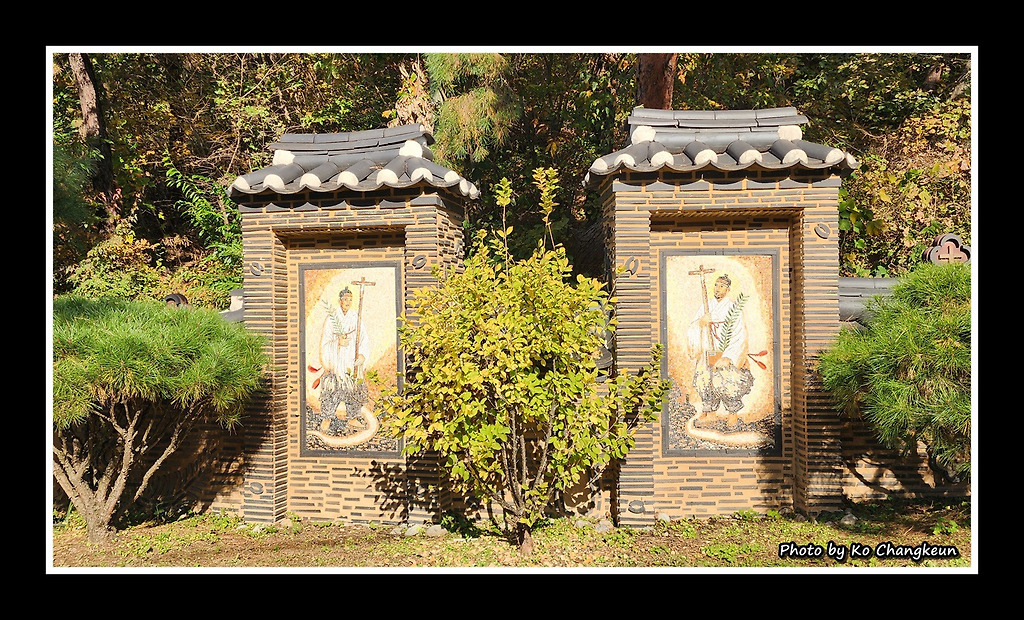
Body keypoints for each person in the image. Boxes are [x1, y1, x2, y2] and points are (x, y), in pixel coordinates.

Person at [686, 274, 754, 424]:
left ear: (728, 289)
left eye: (722, 286)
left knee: (728, 381)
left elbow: (740, 334)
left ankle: (732, 415)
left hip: (726, 351)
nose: (718, 289)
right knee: (705, 379)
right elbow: (693, 327)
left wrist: (729, 356)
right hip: (708, 351)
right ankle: (710, 413)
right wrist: (701, 322)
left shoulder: (733, 308)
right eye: (716, 285)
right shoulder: (706, 306)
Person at [320, 287, 370, 389]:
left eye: (350, 300)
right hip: (337, 359)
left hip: (352, 357)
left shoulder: (355, 317)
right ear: (340, 301)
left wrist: (362, 355)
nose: (348, 302)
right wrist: (337, 343)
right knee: (337, 386)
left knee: (353, 385)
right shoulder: (331, 318)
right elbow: (325, 343)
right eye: (345, 299)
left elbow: (364, 339)